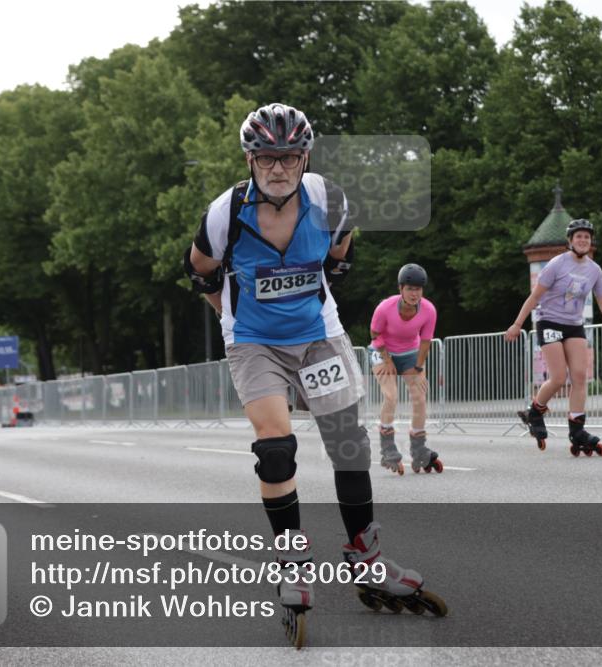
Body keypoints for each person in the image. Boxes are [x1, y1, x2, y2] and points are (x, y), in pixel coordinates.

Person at [183, 103, 445, 648]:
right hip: (254, 342)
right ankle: (292, 558)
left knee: (348, 444)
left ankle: (364, 554)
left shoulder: (330, 201)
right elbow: (199, 272)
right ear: (251, 161)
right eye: (266, 158)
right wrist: (230, 320)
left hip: (318, 335)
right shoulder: (224, 214)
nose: (278, 169)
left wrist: (311, 300)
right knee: (276, 450)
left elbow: (340, 255)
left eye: (289, 158)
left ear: (305, 158)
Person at [505, 219, 602, 456]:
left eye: (587, 237)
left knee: (580, 376)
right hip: (549, 321)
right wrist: (517, 324)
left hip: (573, 325)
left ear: (590, 243)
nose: (583, 240)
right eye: (578, 236)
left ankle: (577, 431)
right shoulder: (556, 264)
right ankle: (536, 411)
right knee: (559, 377)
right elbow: (535, 296)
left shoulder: (594, 270)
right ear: (570, 241)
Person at [368, 263, 442, 474]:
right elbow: (375, 334)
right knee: (391, 396)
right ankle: (387, 448)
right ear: (401, 289)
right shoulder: (385, 307)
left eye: (418, 289)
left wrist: (418, 368)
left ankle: (419, 449)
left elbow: (426, 342)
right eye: (410, 288)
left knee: (419, 396)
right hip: (382, 352)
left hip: (410, 353)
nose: (414, 293)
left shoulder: (428, 310)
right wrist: (387, 359)